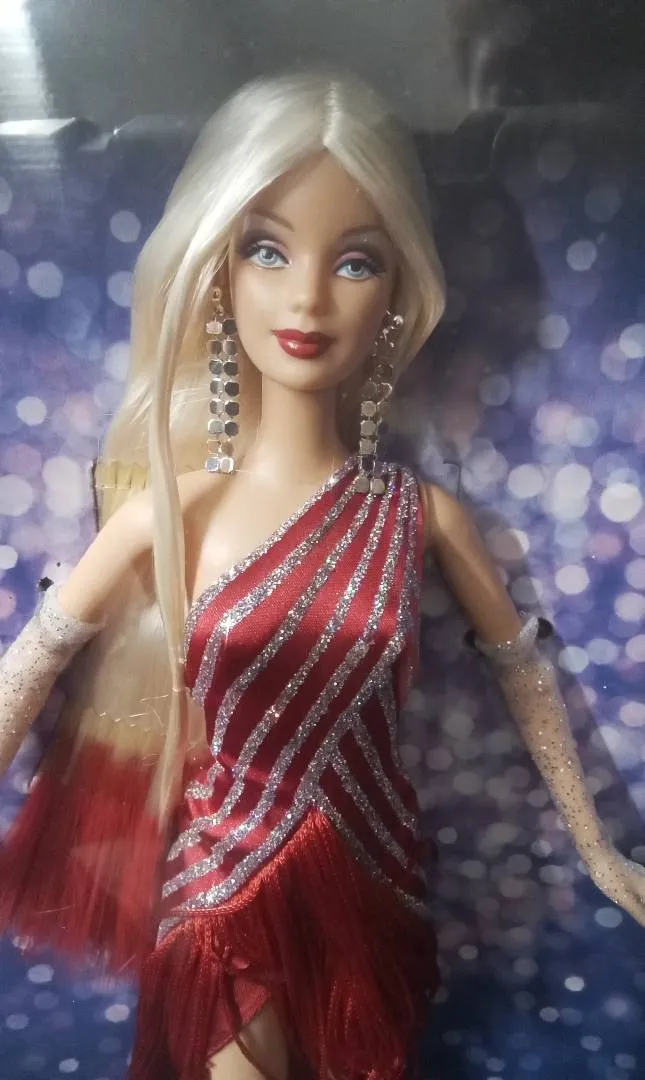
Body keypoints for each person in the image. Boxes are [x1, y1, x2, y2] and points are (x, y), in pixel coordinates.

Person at [1, 69, 644, 1080]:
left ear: (396, 294)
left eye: (354, 261)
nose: (306, 297)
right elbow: (34, 661)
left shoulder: (423, 517)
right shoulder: (170, 509)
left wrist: (599, 848)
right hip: (222, 886)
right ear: (219, 272)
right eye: (267, 249)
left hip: (374, 878)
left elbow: (523, 670)